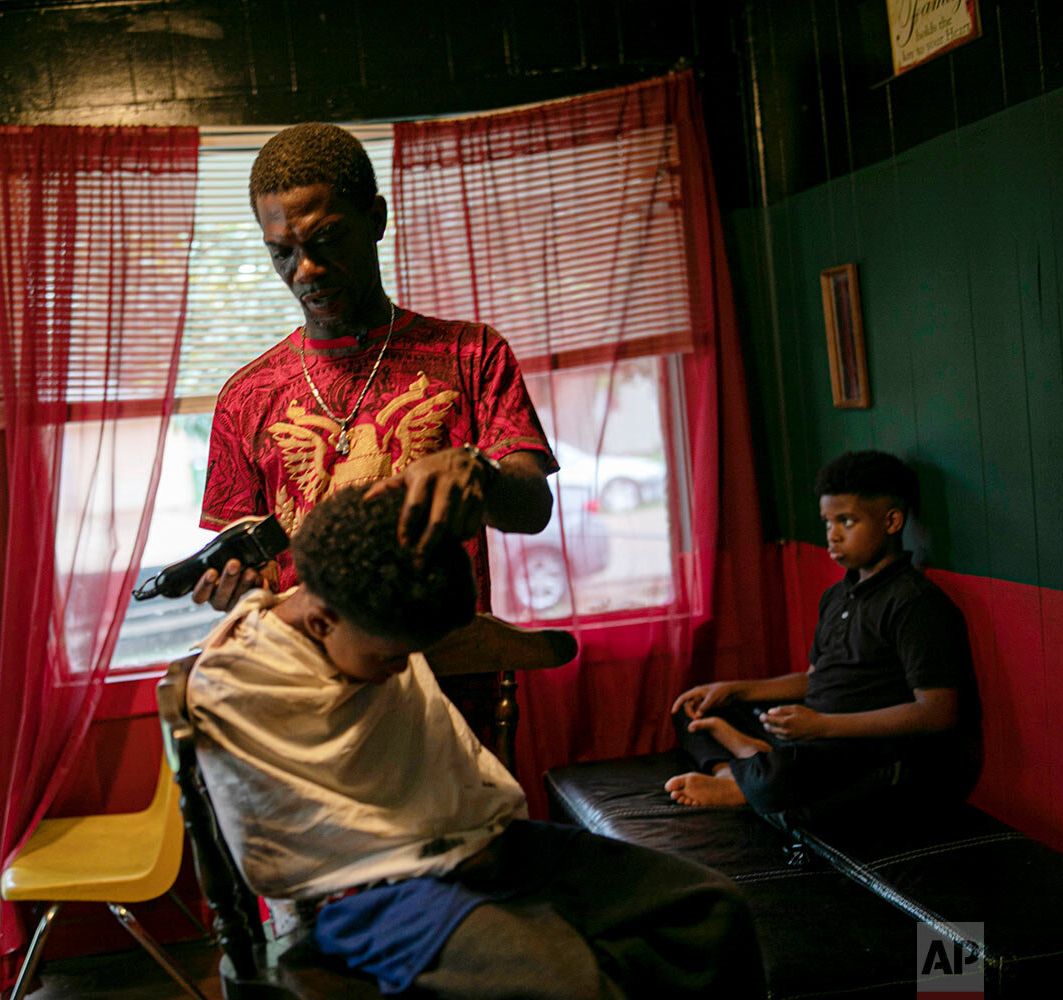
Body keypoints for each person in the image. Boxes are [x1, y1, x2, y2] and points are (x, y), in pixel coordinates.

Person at [188, 486, 764, 999]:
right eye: (391, 658)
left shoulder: (374, 620)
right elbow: (288, 843)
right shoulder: (238, 684)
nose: (401, 671)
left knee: (711, 911)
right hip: (368, 894)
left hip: (480, 843)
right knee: (571, 987)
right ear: (320, 622)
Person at [195, 122, 556, 612]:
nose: (305, 270)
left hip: (450, 670)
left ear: (377, 219)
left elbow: (533, 508)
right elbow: (243, 564)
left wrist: (481, 476)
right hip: (312, 678)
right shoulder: (246, 398)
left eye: (327, 239)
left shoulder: (471, 355)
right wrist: (235, 587)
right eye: (282, 251)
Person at [664, 450, 978, 826]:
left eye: (847, 521)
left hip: (866, 747)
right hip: (810, 734)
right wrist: (733, 689)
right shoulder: (836, 596)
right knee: (695, 709)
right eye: (828, 521)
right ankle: (739, 770)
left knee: (797, 771)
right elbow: (814, 680)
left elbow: (937, 713)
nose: (833, 534)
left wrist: (821, 726)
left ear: (892, 521)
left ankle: (747, 777)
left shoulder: (913, 603)